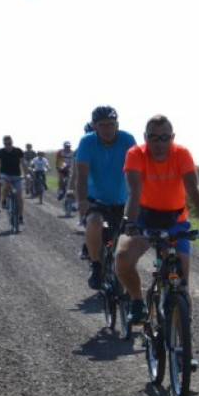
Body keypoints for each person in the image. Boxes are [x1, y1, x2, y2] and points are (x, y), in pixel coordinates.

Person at [115, 114, 199, 325]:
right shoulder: (135, 154)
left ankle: (182, 350)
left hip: (175, 220)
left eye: (165, 138)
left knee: (181, 285)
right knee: (122, 258)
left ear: (173, 137)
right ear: (145, 137)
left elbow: (193, 190)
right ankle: (136, 301)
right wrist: (130, 223)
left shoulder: (181, 154)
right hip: (144, 218)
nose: (160, 143)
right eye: (153, 138)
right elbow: (134, 191)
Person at [75, 106, 137, 290]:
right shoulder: (87, 142)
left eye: (111, 124)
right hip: (97, 199)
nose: (107, 129)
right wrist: (82, 200)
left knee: (126, 237)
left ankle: (123, 271)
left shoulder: (127, 139)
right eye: (102, 125)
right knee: (94, 221)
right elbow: (82, 174)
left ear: (117, 124)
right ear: (95, 126)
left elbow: (138, 169)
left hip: (123, 199)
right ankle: (96, 264)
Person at [0, 136, 25, 225]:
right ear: (3, 144)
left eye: (9, 143)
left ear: (12, 142)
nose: (8, 145)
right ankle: (3, 200)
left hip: (17, 175)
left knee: (20, 197)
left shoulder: (18, 151)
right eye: (6, 144)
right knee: (5, 185)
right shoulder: (0, 152)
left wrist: (27, 174)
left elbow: (23, 163)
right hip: (5, 175)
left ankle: (21, 216)